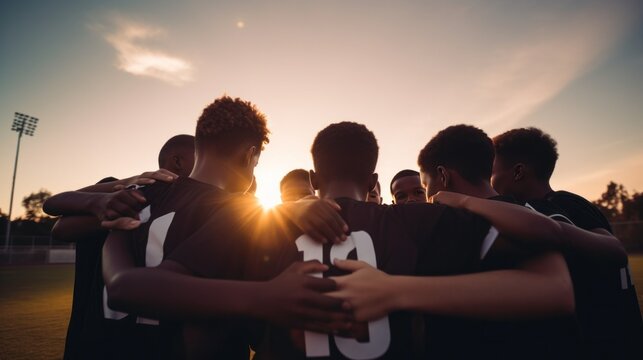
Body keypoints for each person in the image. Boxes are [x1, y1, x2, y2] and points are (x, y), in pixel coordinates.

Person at [251, 122, 574, 359]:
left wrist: (286, 209)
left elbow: (245, 333)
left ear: (314, 179)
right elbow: (552, 282)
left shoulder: (260, 230)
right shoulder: (420, 221)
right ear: (374, 180)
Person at [101, 96, 350, 359]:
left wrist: (112, 228)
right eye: (256, 162)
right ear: (250, 154)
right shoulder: (236, 212)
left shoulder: (138, 195)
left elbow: (64, 221)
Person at [491, 127, 643, 358]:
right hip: (624, 337)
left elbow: (614, 249)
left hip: (597, 344)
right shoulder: (574, 202)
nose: (490, 182)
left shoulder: (541, 211)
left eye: (491, 172)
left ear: (518, 172)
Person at [42, 134, 196, 360]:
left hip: (116, 337)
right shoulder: (127, 194)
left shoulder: (190, 204)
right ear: (178, 161)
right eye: (200, 157)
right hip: (100, 336)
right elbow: (55, 212)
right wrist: (119, 187)